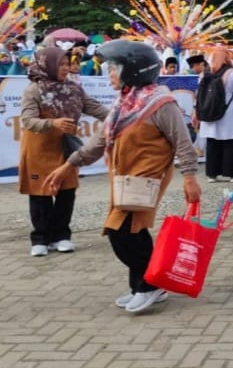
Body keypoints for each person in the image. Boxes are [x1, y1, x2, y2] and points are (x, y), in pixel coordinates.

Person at [44, 39, 200, 313]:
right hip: (124, 180)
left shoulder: (161, 103)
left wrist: (189, 176)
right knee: (133, 233)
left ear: (134, 70)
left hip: (145, 179)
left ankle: (151, 285)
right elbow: (98, 143)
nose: (110, 74)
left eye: (115, 68)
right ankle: (142, 285)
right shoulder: (123, 104)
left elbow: (183, 142)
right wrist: (68, 165)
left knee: (122, 233)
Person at [19, 47, 110, 256]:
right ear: (47, 64)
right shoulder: (34, 90)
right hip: (38, 148)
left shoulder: (74, 89)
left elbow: (96, 108)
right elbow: (27, 120)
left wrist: (121, 118)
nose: (65, 68)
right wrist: (54, 122)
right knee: (40, 194)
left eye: (67, 64)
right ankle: (40, 239)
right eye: (60, 64)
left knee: (66, 192)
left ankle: (62, 236)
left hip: (65, 147)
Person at [197, 47, 233, 184]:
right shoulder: (232, 73)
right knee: (230, 142)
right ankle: (231, 174)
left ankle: (212, 174)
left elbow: (199, 93)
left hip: (209, 111)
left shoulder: (205, 74)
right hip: (228, 111)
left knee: (212, 143)